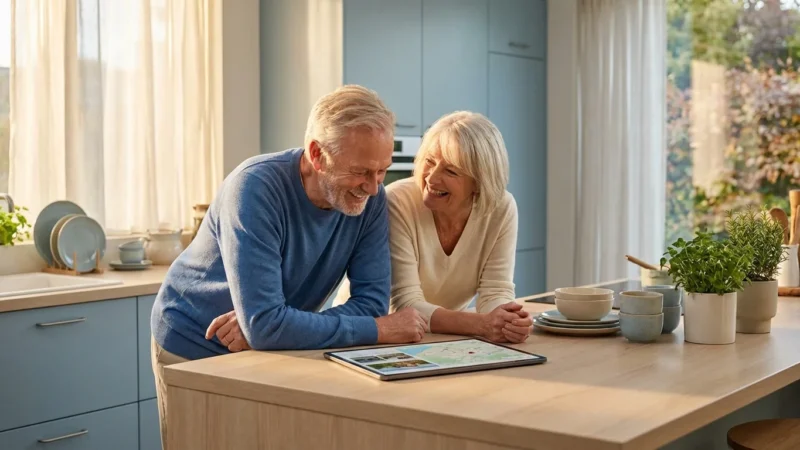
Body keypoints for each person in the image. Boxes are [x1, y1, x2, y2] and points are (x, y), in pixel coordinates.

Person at [149, 85, 426, 450]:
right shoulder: (255, 188)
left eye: (382, 172)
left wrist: (277, 325)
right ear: (317, 154)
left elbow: (369, 303)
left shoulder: (372, 201)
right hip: (194, 343)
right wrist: (378, 330)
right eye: (361, 172)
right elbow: (271, 324)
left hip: (275, 349)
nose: (374, 188)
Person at [334, 111, 532, 342]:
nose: (431, 178)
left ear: (479, 182)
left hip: (435, 336)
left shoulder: (501, 208)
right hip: (371, 334)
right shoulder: (397, 202)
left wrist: (508, 320)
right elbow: (404, 303)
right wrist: (482, 324)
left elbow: (495, 291)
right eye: (429, 161)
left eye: (450, 171)